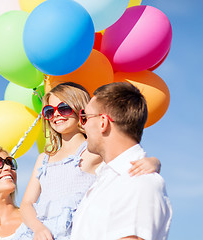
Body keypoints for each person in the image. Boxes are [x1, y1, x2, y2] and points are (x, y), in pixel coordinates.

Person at [14, 82, 161, 240]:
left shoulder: (92, 151)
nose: (56, 114)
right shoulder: (44, 158)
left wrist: (154, 162)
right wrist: (38, 228)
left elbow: (123, 158)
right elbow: (26, 204)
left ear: (80, 110)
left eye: (63, 108)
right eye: (49, 111)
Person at [71, 82, 172, 240]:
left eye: (85, 117)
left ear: (103, 122)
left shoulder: (138, 183)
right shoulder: (106, 180)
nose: (82, 125)